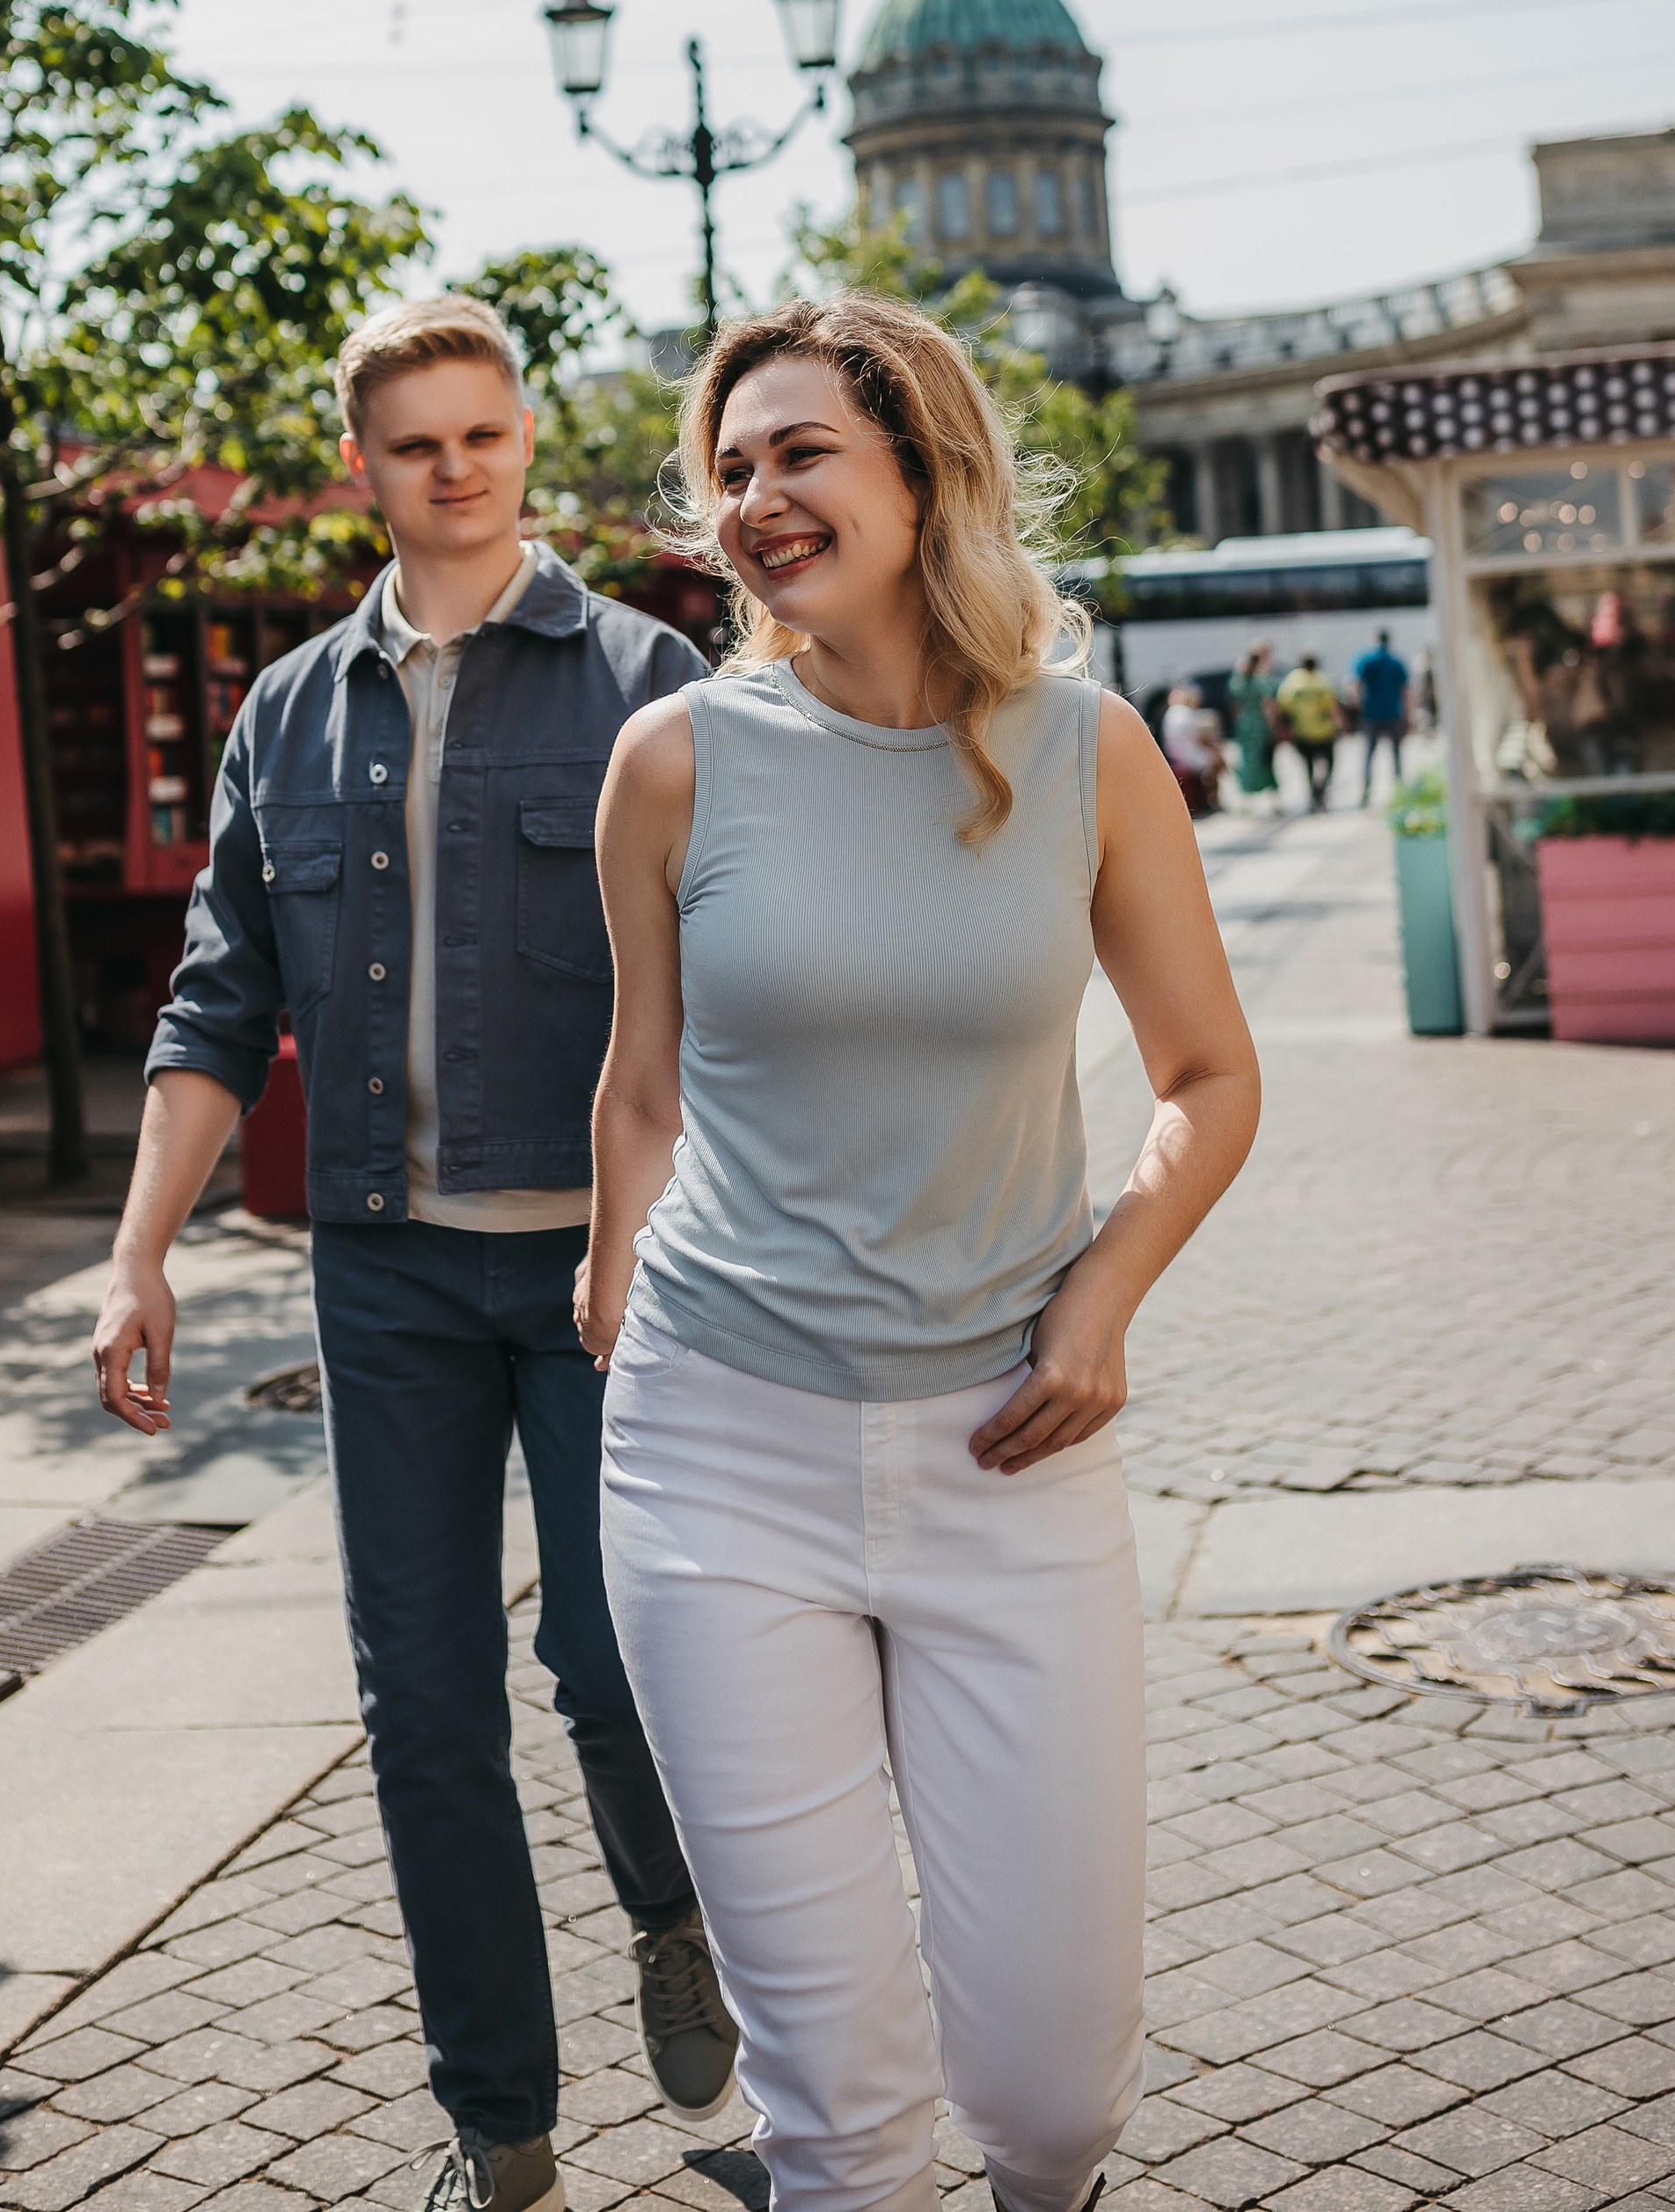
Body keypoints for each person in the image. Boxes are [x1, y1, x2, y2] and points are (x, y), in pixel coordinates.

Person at [579, 295, 1259, 2212]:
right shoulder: (674, 762)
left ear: (920, 470)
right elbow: (639, 1084)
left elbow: (1208, 1074)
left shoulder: (1085, 749)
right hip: (720, 1450)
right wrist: (610, 1277)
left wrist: (1102, 1297)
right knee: (842, 2128)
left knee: (1049, 2107)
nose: (755, 498)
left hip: (1007, 1452)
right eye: (729, 469)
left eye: (800, 452)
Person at [90, 294, 736, 2212]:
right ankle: (504, 2126)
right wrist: (141, 1255)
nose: (452, 470)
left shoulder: (649, 679)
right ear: (357, 468)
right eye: (411, 443)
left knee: (619, 1665)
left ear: (524, 441)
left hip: (606, 1269)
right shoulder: (290, 712)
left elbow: (729, 994)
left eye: (482, 434)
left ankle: (677, 1914)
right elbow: (217, 1011)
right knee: (422, 1703)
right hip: (382, 1277)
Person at [1276, 649, 1342, 812]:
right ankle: (1320, 790)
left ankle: (1313, 793)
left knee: (1308, 766)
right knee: (1329, 763)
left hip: (1302, 732)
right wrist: (1340, 725)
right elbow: (1333, 706)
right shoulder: (1322, 681)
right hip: (1324, 731)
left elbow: (1283, 707)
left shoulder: (1291, 682)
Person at [1350, 627, 1411, 801]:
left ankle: (1366, 791)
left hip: (1372, 714)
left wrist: (1356, 708)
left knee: (1369, 755)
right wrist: (1408, 715)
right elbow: (1406, 691)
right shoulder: (1395, 661)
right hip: (1393, 713)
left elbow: (1353, 685)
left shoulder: (1366, 660)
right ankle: (1400, 791)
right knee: (1397, 755)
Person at [1224, 638, 1282, 814]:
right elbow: (1268, 706)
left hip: (1245, 724)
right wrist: (1274, 726)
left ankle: (1245, 799)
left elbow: (1234, 706)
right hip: (1260, 726)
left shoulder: (1238, 681)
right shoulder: (1260, 680)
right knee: (1266, 762)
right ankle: (1273, 800)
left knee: (1247, 761)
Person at [1159, 679, 1223, 820]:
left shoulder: (1170, 714)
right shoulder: (1187, 714)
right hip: (1188, 757)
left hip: (1174, 755)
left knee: (1213, 757)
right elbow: (1203, 739)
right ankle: (1213, 800)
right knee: (1217, 761)